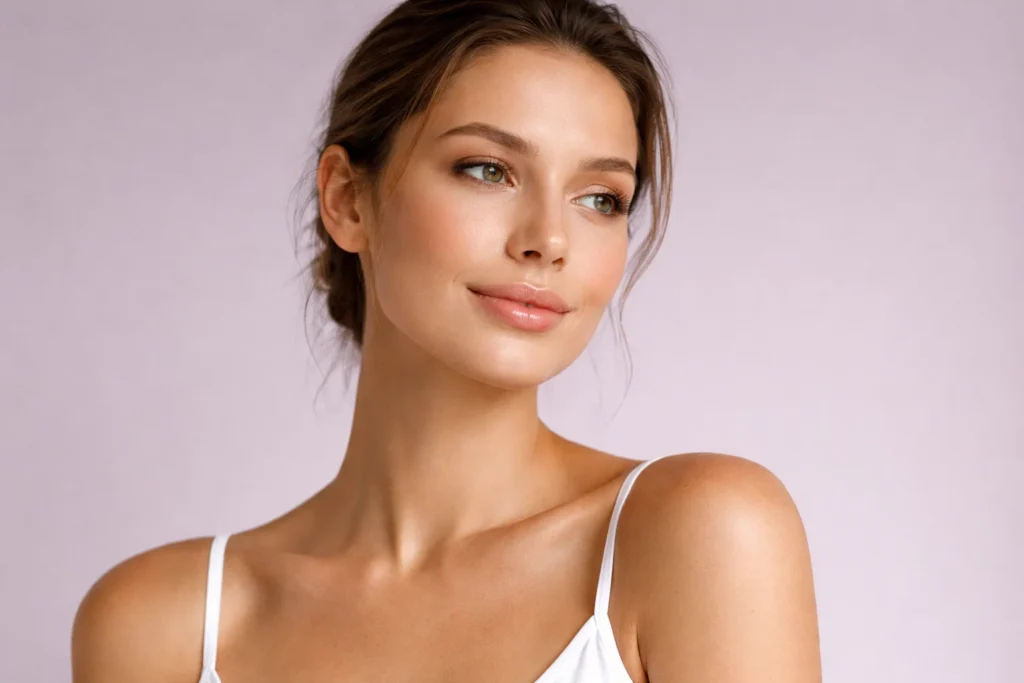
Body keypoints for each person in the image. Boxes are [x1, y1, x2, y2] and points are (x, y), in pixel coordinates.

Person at [71, 1, 821, 681]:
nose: (548, 240)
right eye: (487, 169)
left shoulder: (701, 534)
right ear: (347, 199)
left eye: (600, 198)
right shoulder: (157, 627)